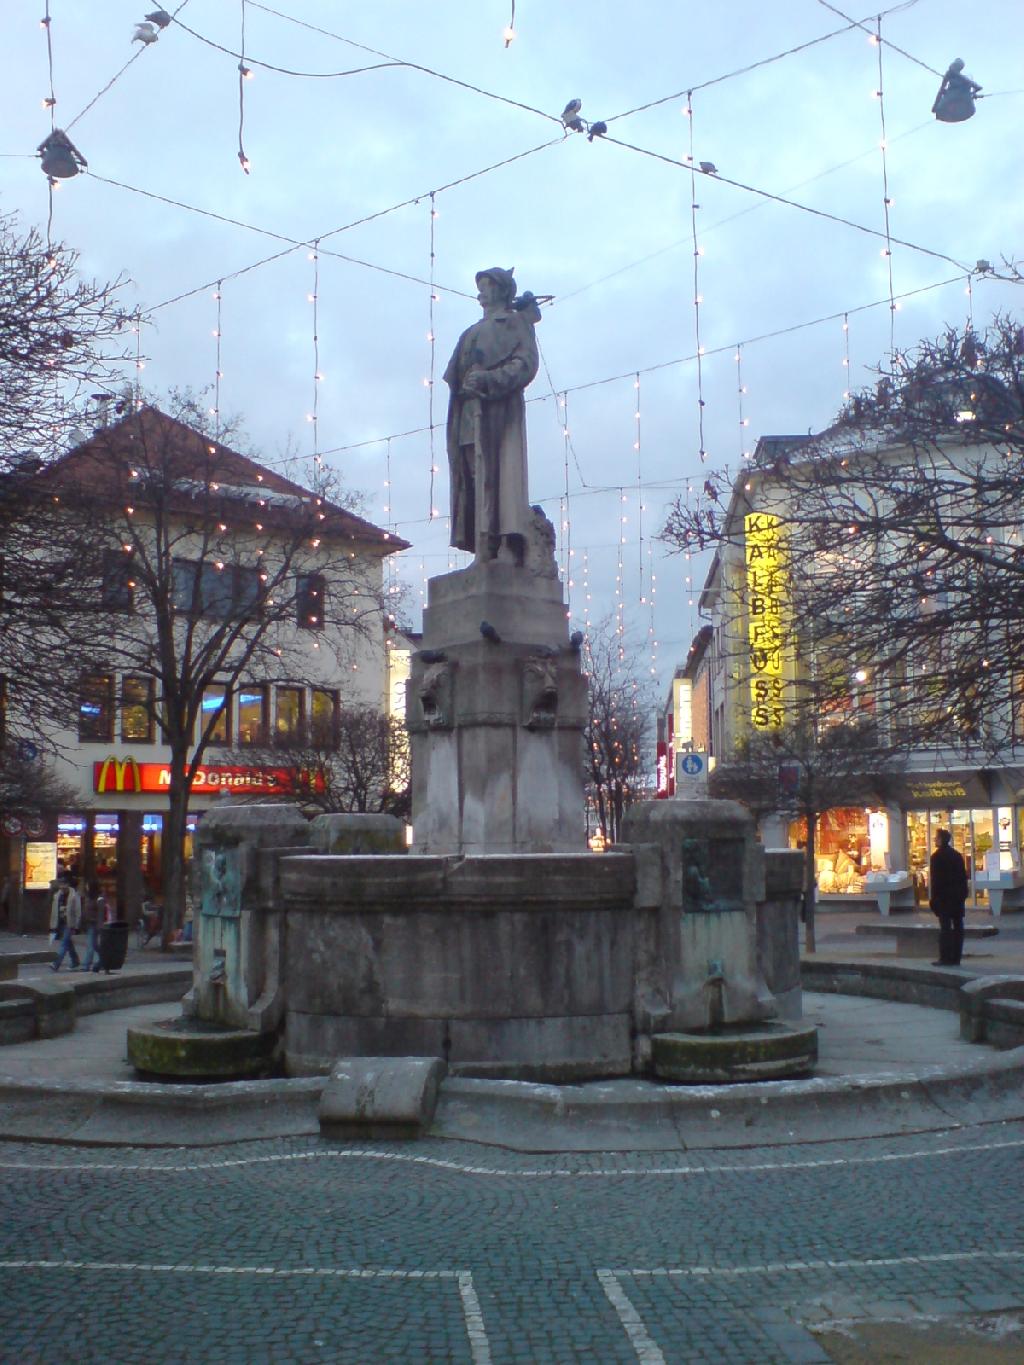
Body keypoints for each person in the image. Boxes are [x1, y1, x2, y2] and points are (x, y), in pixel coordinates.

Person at [443, 267, 540, 564]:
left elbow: (525, 363)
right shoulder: (469, 333)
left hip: (498, 413)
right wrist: (466, 382)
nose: (482, 291)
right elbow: (454, 374)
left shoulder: (514, 323)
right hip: (468, 415)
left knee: (500, 477)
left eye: (488, 285)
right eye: (480, 285)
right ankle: (482, 545)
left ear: (502, 290)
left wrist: (490, 379)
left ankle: (506, 544)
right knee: (474, 480)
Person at [929, 828, 969, 966]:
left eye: (936, 837)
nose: (935, 840)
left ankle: (945, 957)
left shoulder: (936, 857)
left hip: (944, 898)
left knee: (945, 928)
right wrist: (963, 895)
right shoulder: (957, 855)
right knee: (958, 927)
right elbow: (963, 877)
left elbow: (936, 881)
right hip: (957, 897)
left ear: (941, 840)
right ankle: (956, 957)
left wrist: (934, 899)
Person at [49, 875, 82, 971]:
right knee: (68, 943)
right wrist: (53, 924)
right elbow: (54, 911)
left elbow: (78, 911)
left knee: (64, 943)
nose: (62, 887)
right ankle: (75, 961)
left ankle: (56, 964)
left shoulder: (74, 895)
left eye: (64, 884)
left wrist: (76, 926)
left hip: (69, 923)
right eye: (61, 885)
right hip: (61, 922)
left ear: (68, 885)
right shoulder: (57, 895)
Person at [79, 878, 110, 974]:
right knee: (95, 945)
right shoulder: (88, 896)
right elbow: (85, 910)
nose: (86, 887)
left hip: (95, 924)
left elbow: (101, 913)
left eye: (88, 885)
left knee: (90, 945)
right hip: (90, 923)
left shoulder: (99, 898)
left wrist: (100, 926)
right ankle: (105, 958)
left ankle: (86, 965)